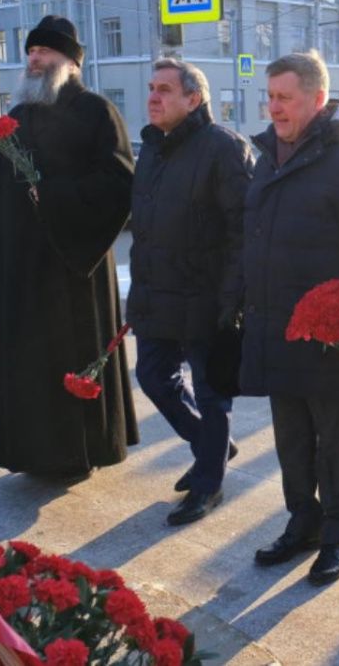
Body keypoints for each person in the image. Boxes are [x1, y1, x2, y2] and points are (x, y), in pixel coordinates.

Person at [240, 51, 339, 586]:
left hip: (331, 335)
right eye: (271, 97)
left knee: (334, 442)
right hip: (277, 326)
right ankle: (301, 523)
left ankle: (337, 534)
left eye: (285, 98)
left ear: (317, 99)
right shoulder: (267, 156)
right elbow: (255, 239)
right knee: (291, 439)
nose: (273, 108)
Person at [0, 15, 137, 478]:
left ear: (70, 61)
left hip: (72, 266)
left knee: (72, 355)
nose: (33, 59)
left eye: (43, 52)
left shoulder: (96, 111)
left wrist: (57, 196)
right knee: (26, 364)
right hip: (23, 266)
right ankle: (27, 453)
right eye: (30, 52)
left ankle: (78, 453)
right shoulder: (19, 117)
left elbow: (119, 182)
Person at [128, 59, 253, 526]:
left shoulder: (224, 148)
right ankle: (211, 446)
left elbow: (244, 230)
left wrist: (233, 298)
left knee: (212, 390)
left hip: (207, 297)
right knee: (154, 376)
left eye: (164, 90)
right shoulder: (154, 149)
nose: (153, 97)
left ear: (193, 99)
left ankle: (208, 485)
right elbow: (145, 228)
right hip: (158, 294)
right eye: (151, 88)